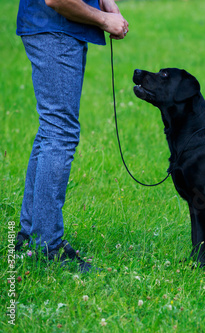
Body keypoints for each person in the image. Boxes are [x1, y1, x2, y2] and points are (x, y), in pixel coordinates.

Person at [15, 0, 129, 272]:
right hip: (55, 30)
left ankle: (29, 235)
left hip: (57, 30)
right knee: (59, 133)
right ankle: (46, 247)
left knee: (51, 130)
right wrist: (103, 19)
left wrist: (107, 3)